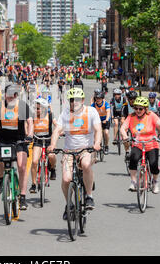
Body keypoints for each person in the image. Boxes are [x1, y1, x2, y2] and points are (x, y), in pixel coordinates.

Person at [47, 88, 102, 220]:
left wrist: (97, 143)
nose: (74, 103)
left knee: (86, 164)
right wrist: (52, 145)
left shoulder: (91, 111)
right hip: (69, 151)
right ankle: (69, 204)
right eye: (72, 100)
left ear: (82, 100)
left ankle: (89, 196)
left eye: (77, 100)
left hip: (86, 149)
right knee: (66, 179)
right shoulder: (65, 114)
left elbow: (98, 129)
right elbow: (57, 130)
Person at [0, 84, 34, 211]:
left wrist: (30, 135)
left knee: (22, 166)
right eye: (8, 96)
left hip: (20, 139)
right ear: (5, 95)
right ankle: (1, 179)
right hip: (4, 138)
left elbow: (30, 122)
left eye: (13, 96)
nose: (10, 98)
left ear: (17, 96)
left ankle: (22, 196)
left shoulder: (22, 106)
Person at [120, 96, 160, 193]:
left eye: (140, 108)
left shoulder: (151, 116)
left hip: (151, 144)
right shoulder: (131, 117)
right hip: (138, 144)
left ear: (146, 109)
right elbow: (123, 128)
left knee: (154, 164)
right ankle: (133, 181)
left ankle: (155, 182)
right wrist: (124, 135)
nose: (138, 110)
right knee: (133, 159)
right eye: (136, 108)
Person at [29, 98, 57, 193]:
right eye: (36, 108)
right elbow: (28, 126)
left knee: (52, 156)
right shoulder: (33, 116)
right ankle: (33, 184)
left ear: (44, 108)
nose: (37, 110)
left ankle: (52, 169)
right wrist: (28, 135)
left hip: (48, 140)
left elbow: (56, 124)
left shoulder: (49, 115)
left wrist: (59, 131)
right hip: (38, 140)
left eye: (38, 108)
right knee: (34, 161)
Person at [91, 89, 111, 155]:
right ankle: (96, 147)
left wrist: (107, 119)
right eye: (96, 98)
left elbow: (108, 112)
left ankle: (106, 146)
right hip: (98, 120)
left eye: (99, 98)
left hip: (105, 119)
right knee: (96, 134)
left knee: (106, 132)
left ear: (102, 99)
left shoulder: (106, 104)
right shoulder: (93, 105)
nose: (98, 100)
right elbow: (90, 114)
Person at [121, 90, 138, 161]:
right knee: (125, 137)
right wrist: (125, 128)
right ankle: (127, 151)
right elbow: (122, 119)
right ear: (128, 99)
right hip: (127, 124)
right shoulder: (125, 106)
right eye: (131, 99)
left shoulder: (139, 107)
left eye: (134, 99)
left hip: (136, 125)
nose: (132, 100)